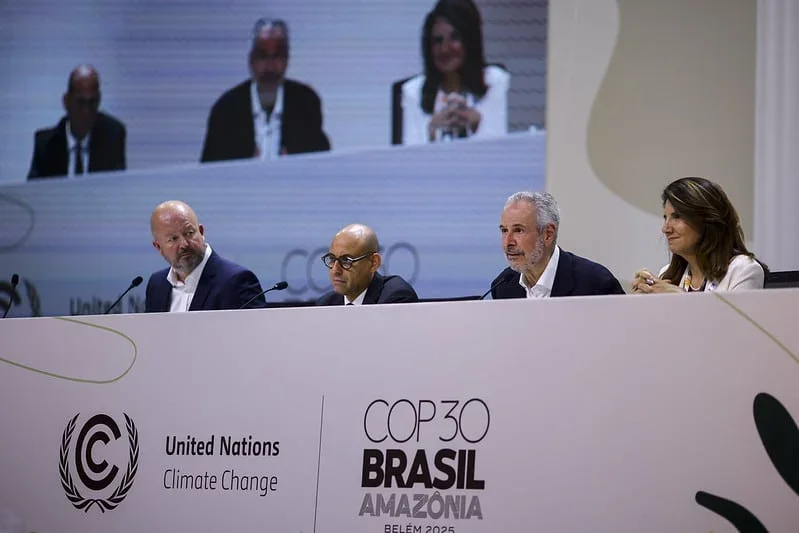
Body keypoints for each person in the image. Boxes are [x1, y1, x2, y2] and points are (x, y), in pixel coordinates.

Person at [201, 18, 330, 163]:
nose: (270, 67)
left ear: (287, 60)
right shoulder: (226, 110)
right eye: (262, 56)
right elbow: (208, 175)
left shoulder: (305, 103)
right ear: (251, 61)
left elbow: (321, 166)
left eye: (277, 56)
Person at [401, 0, 509, 145]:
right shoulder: (413, 91)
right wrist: (432, 131)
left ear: (469, 41)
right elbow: (408, 160)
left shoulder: (495, 80)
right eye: (437, 41)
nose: (445, 49)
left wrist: (478, 125)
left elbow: (502, 152)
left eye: (455, 38)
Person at [632, 177, 765, 293]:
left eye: (677, 216)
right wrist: (640, 304)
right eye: (665, 218)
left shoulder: (742, 269)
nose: (665, 229)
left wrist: (681, 298)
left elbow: (735, 322)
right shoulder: (667, 274)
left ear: (707, 219)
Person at [490, 191, 625, 299]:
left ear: (548, 234)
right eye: (504, 230)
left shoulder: (595, 283)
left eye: (518, 230)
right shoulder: (503, 286)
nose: (508, 242)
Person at [145, 200, 266, 312]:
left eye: (189, 233)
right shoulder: (157, 285)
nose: (184, 244)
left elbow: (255, 333)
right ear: (158, 247)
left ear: (201, 232)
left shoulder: (237, 281)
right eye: (173, 239)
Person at [27, 65, 126, 180]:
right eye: (81, 102)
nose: (86, 111)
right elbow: (32, 193)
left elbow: (115, 189)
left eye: (92, 103)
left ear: (99, 101)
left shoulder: (111, 136)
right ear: (66, 101)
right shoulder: (46, 144)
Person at [316, 224, 418, 306]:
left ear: (374, 263)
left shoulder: (396, 297)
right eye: (332, 259)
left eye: (346, 260)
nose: (335, 270)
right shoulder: (326, 304)